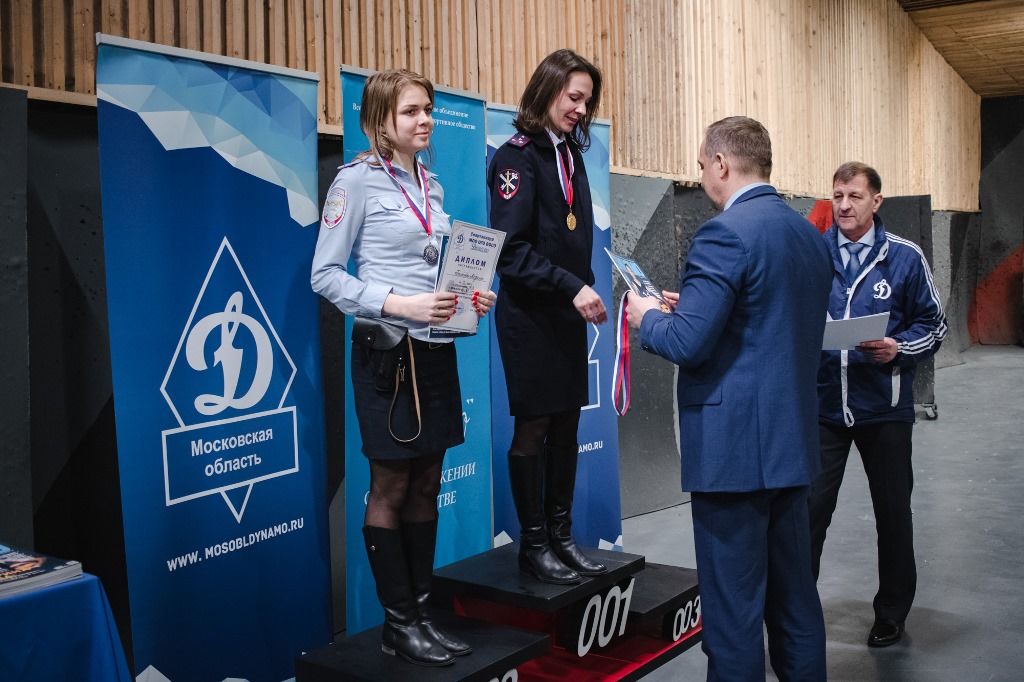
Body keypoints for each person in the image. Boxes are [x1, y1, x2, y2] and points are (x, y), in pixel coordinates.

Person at [626, 116, 830, 680]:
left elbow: (688, 343)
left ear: (720, 163)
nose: (701, 175)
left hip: (733, 458)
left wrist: (647, 319)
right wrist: (691, 306)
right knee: (795, 606)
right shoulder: (807, 236)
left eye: (701, 164)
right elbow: (763, 320)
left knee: (733, 619)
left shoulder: (723, 234)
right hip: (790, 449)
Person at [311, 69, 496, 667]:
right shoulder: (355, 182)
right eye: (412, 111)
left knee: (427, 483)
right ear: (380, 121)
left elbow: (434, 269)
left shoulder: (430, 185)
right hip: (387, 354)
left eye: (429, 110)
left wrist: (469, 296)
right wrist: (398, 303)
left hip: (436, 350)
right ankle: (398, 624)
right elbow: (325, 276)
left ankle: (421, 615)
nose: (426, 121)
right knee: (391, 486)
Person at [809, 162, 947, 648]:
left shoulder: (905, 258)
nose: (844, 205)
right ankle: (797, 612)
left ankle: (891, 613)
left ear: (876, 201)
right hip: (824, 408)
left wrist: (898, 348)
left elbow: (935, 324)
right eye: (837, 196)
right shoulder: (813, 253)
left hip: (884, 409)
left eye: (854, 196)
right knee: (808, 512)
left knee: (892, 514)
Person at [488, 49, 609, 585]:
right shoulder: (516, 158)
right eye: (573, 97)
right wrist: (572, 287)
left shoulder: (571, 155)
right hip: (530, 316)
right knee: (534, 428)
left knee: (567, 426)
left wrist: (583, 287)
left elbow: (570, 238)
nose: (581, 109)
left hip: (566, 314)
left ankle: (562, 537)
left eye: (587, 101)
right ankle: (533, 545)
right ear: (547, 90)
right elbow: (510, 252)